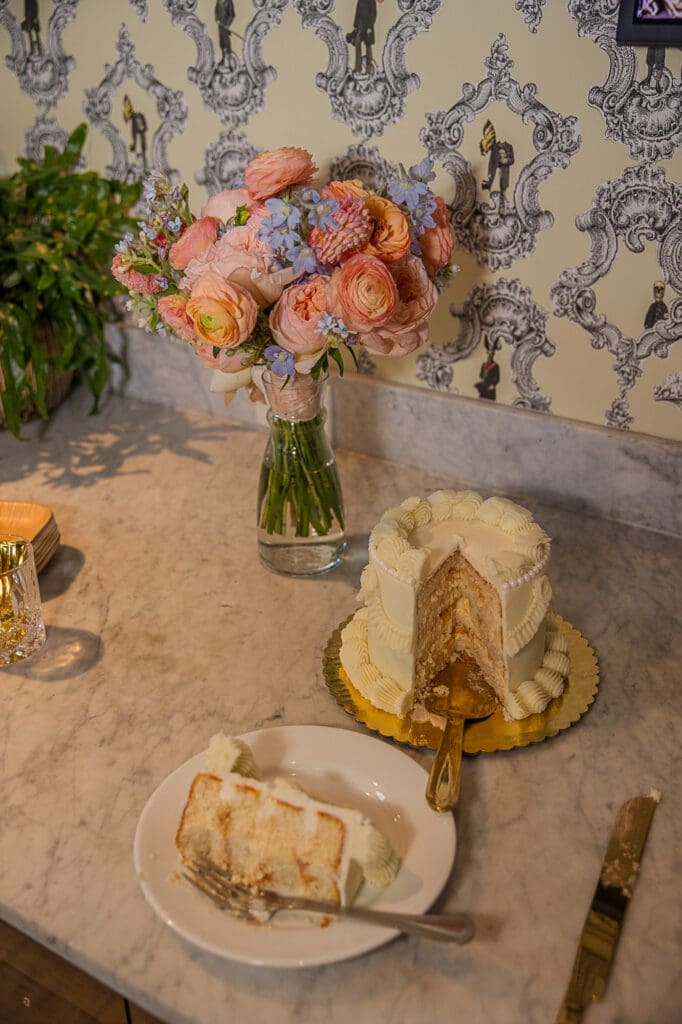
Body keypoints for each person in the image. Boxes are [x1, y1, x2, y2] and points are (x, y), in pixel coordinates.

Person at [480, 121, 515, 210]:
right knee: (493, 190)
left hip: (504, 171)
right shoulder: (495, 147)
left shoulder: (509, 146)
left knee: (503, 189)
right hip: (495, 171)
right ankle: (496, 206)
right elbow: (491, 161)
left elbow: (512, 160)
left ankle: (505, 205)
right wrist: (489, 173)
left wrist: (506, 160)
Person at [347, 0, 384, 75]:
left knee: (368, 47)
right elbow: (357, 13)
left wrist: (370, 26)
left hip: (368, 27)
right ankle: (358, 68)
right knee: (357, 44)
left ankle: (369, 69)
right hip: (360, 26)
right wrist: (355, 26)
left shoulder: (372, 1)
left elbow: (373, 13)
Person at [123, 95, 148, 173]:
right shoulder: (131, 118)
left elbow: (143, 127)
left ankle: (144, 169)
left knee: (141, 153)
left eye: (128, 105)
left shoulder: (138, 116)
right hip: (136, 142)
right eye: (126, 106)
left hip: (140, 141)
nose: (127, 108)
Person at [475, 337, 501, 401]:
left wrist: (492, 384)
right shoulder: (483, 365)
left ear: (493, 355)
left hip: (490, 388)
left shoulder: (495, 366)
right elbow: (480, 375)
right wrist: (482, 379)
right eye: (488, 354)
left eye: (491, 354)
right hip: (484, 387)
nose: (489, 356)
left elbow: (497, 378)